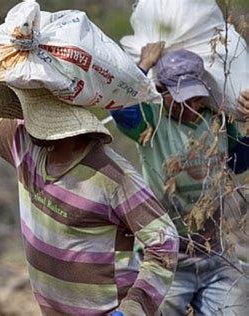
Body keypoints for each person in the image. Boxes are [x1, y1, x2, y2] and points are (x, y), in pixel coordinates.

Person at [0, 83, 179, 315]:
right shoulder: (24, 144)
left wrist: (133, 307)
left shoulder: (114, 177)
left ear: (73, 130)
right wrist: (8, 73)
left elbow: (164, 241)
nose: (32, 126)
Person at [111, 43, 249, 315]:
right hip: (166, 260)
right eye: (181, 98)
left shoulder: (217, 120)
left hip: (216, 255)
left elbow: (239, 161)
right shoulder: (151, 122)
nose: (191, 105)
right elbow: (119, 107)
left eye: (195, 97)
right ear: (161, 92)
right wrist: (143, 67)